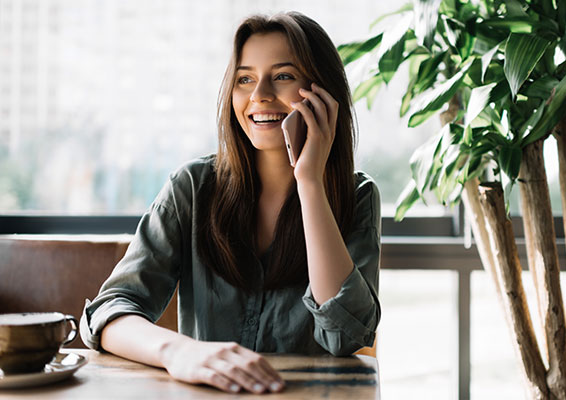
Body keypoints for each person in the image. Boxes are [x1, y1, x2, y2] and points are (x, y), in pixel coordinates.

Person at [80, 11, 381, 395]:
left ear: (321, 92)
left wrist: (309, 181)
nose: (259, 95)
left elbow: (345, 335)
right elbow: (109, 312)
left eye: (283, 76)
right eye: (245, 79)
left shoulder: (357, 196)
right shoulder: (192, 187)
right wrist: (179, 351)